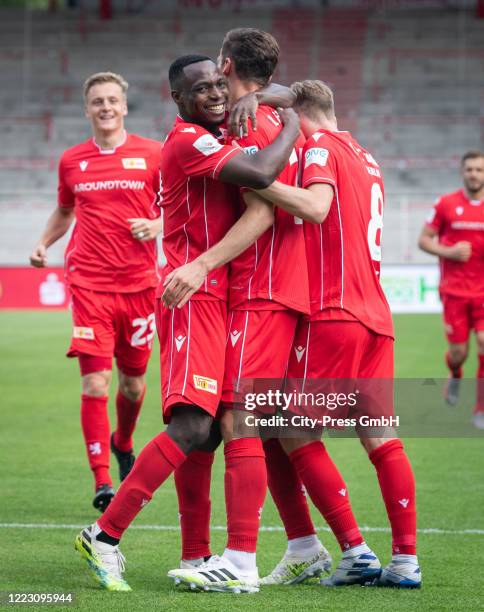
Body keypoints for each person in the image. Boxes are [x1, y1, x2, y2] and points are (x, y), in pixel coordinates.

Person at [74, 54, 301, 593]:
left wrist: (264, 97)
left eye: (220, 85)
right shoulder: (188, 141)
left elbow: (289, 89)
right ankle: (102, 536)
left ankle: (198, 555)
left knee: (215, 433)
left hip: (221, 295)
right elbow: (264, 173)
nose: (215, 94)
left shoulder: (219, 129)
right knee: (193, 426)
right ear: (178, 99)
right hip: (191, 293)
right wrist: (290, 121)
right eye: (201, 89)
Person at [164, 30, 366, 593]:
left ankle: (242, 559)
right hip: (294, 288)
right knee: (276, 426)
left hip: (262, 285)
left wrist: (201, 263)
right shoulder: (277, 116)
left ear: (226, 64)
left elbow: (265, 208)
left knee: (238, 420)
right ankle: (313, 546)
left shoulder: (250, 122)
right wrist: (286, 104)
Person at [248, 80, 420, 589]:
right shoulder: (366, 156)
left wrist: (254, 180)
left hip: (332, 310)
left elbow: (317, 206)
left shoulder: (319, 147)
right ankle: (406, 560)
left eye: (287, 122)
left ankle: (352, 549)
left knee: (284, 426)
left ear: (300, 116)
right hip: (374, 318)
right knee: (380, 437)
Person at [29, 72, 163, 511]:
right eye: (97, 102)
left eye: (112, 100)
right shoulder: (72, 161)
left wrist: (157, 225)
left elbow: (182, 209)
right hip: (88, 284)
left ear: (124, 107)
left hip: (140, 287)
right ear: (87, 109)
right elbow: (66, 209)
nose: (105, 107)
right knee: (94, 382)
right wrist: (44, 243)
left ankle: (123, 441)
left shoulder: (154, 155)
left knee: (132, 384)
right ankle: (103, 481)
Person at [418, 151, 484, 429]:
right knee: (459, 353)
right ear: (462, 172)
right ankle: (455, 374)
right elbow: (423, 240)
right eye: (469, 169)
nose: (474, 174)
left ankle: (480, 408)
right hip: (454, 293)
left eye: (479, 170)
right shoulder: (446, 204)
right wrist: (450, 251)